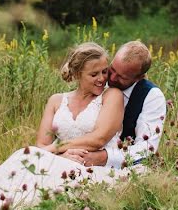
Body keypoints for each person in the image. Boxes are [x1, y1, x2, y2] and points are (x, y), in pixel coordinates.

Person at [0, 42, 126, 210]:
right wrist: (62, 155)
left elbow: (99, 138)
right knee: (25, 155)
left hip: (93, 167)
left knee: (35, 168)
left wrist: (56, 149)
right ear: (77, 74)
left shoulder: (111, 95)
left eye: (105, 71)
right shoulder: (57, 100)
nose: (102, 78)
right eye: (94, 74)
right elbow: (41, 144)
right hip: (63, 161)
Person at [60, 40, 167, 169]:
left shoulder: (152, 97)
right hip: (72, 155)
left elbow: (146, 149)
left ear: (140, 77)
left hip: (119, 168)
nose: (112, 78)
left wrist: (102, 158)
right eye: (112, 69)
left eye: (122, 77)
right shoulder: (98, 81)